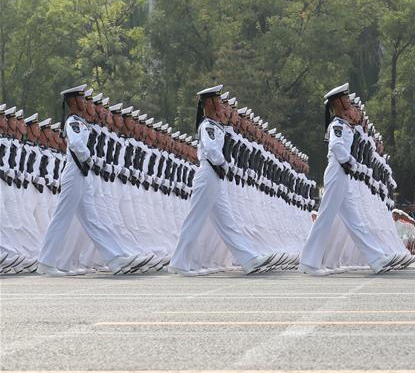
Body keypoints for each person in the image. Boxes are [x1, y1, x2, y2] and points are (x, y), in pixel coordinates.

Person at [39, 85, 151, 276]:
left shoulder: (81, 123)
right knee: (61, 217)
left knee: (92, 219)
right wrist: (89, 157)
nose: (84, 102)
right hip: (74, 173)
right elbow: (75, 144)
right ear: (73, 102)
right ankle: (46, 262)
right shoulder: (72, 122)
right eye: (81, 100)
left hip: (82, 174)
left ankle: (115, 259)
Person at [170, 85, 272, 275]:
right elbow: (210, 149)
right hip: (208, 173)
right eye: (217, 101)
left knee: (227, 221)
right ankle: (179, 263)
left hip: (215, 177)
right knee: (195, 220)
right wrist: (224, 163)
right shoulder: (208, 125)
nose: (221, 105)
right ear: (208, 104)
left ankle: (248, 259)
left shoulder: (215, 126)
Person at [299, 83, 399, 275]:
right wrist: (350, 161)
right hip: (337, 171)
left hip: (342, 174)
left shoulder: (343, 125)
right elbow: (337, 147)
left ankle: (376, 259)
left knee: (355, 220)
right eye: (345, 99)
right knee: (325, 218)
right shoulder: (337, 125)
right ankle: (309, 263)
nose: (349, 102)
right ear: (338, 102)